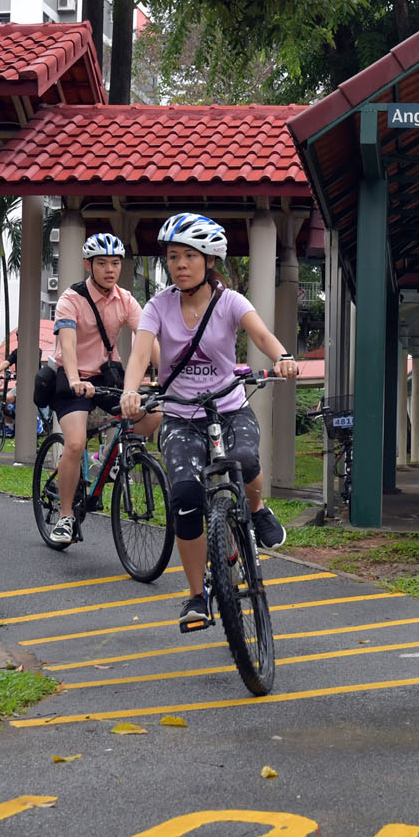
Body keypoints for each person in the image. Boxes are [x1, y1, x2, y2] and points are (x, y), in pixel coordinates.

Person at [119, 213, 298, 630]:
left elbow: (262, 336)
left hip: (229, 407)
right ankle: (197, 595)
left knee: (245, 460)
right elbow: (140, 353)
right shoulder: (158, 306)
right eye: (172, 257)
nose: (179, 264)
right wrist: (131, 390)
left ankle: (257, 509)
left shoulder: (230, 302)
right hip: (181, 416)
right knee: (185, 499)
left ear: (210, 259)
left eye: (189, 256)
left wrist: (283, 357)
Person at [47, 233, 162, 544]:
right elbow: (67, 343)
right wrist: (74, 380)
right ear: (88, 265)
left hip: (106, 377)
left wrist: (169, 375)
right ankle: (66, 516)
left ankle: (103, 460)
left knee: (152, 415)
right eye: (102, 263)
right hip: (71, 377)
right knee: (75, 444)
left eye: (115, 263)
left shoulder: (125, 299)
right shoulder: (71, 299)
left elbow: (147, 338)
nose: (110, 269)